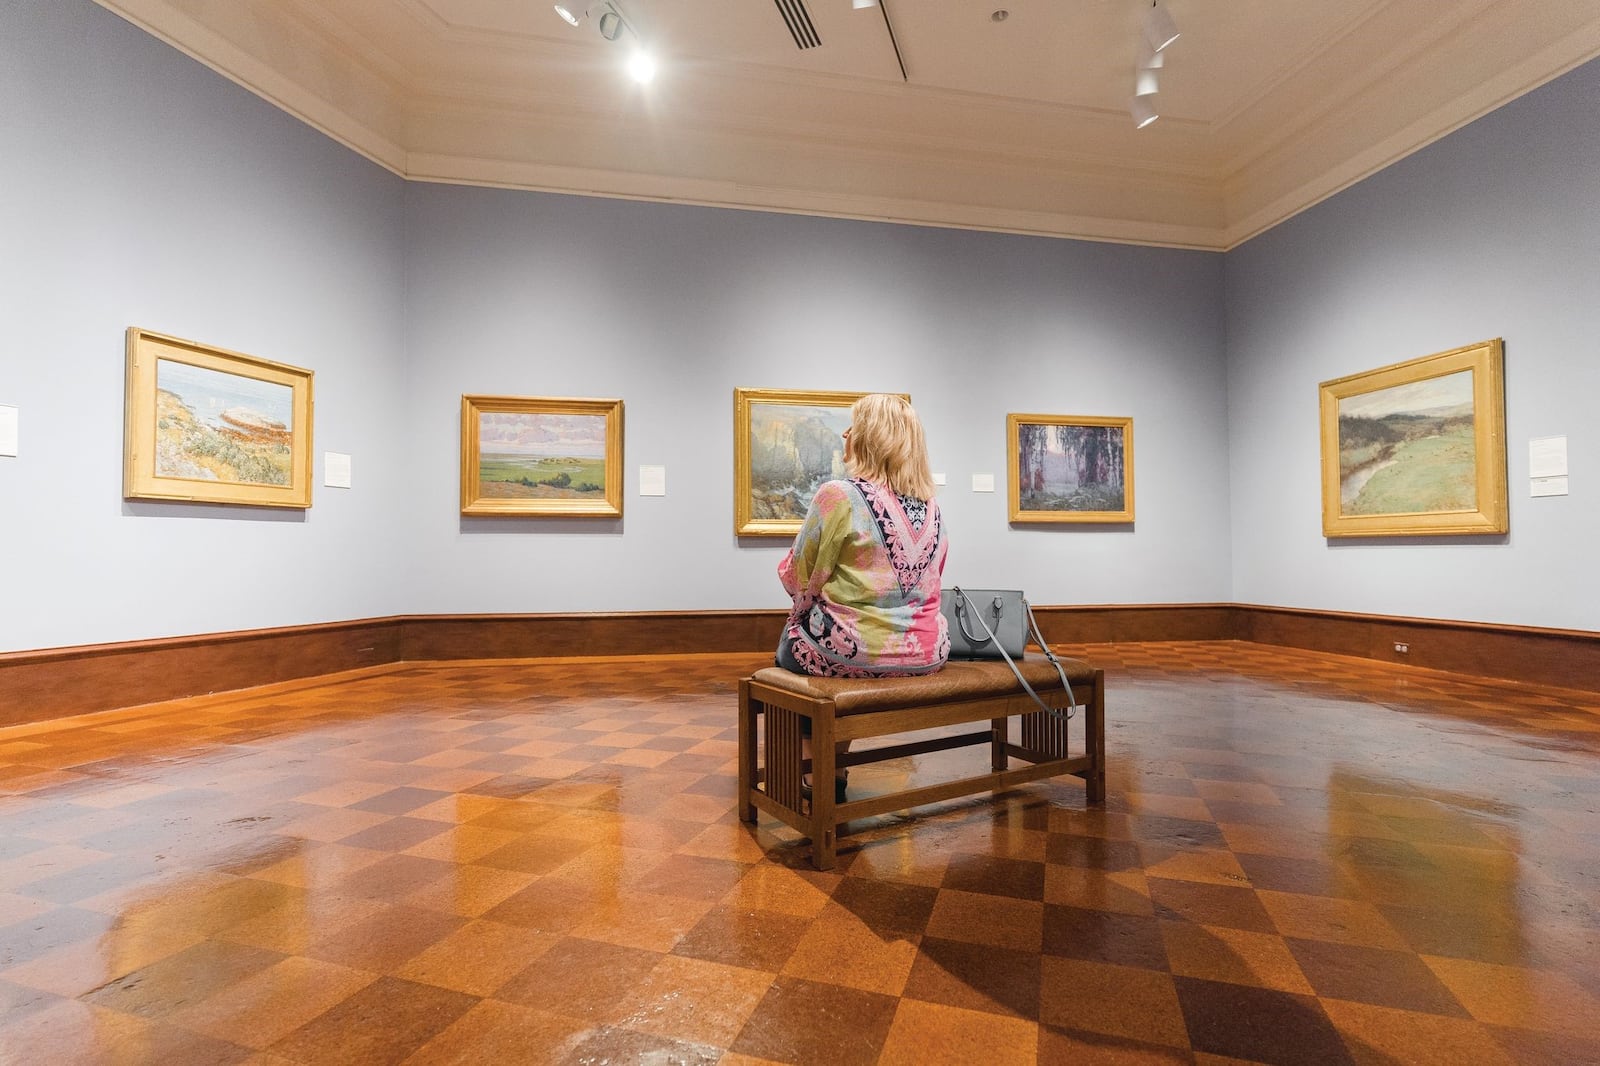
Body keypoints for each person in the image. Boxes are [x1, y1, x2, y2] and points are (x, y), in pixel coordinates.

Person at [776, 393, 949, 802]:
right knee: (843, 644)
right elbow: (934, 579)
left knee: (796, 646)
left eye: (853, 426)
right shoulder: (932, 505)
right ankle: (832, 765)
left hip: (855, 653)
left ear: (870, 438)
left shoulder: (839, 493)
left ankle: (816, 772)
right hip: (927, 654)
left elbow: (797, 575)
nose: (845, 433)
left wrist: (806, 601)